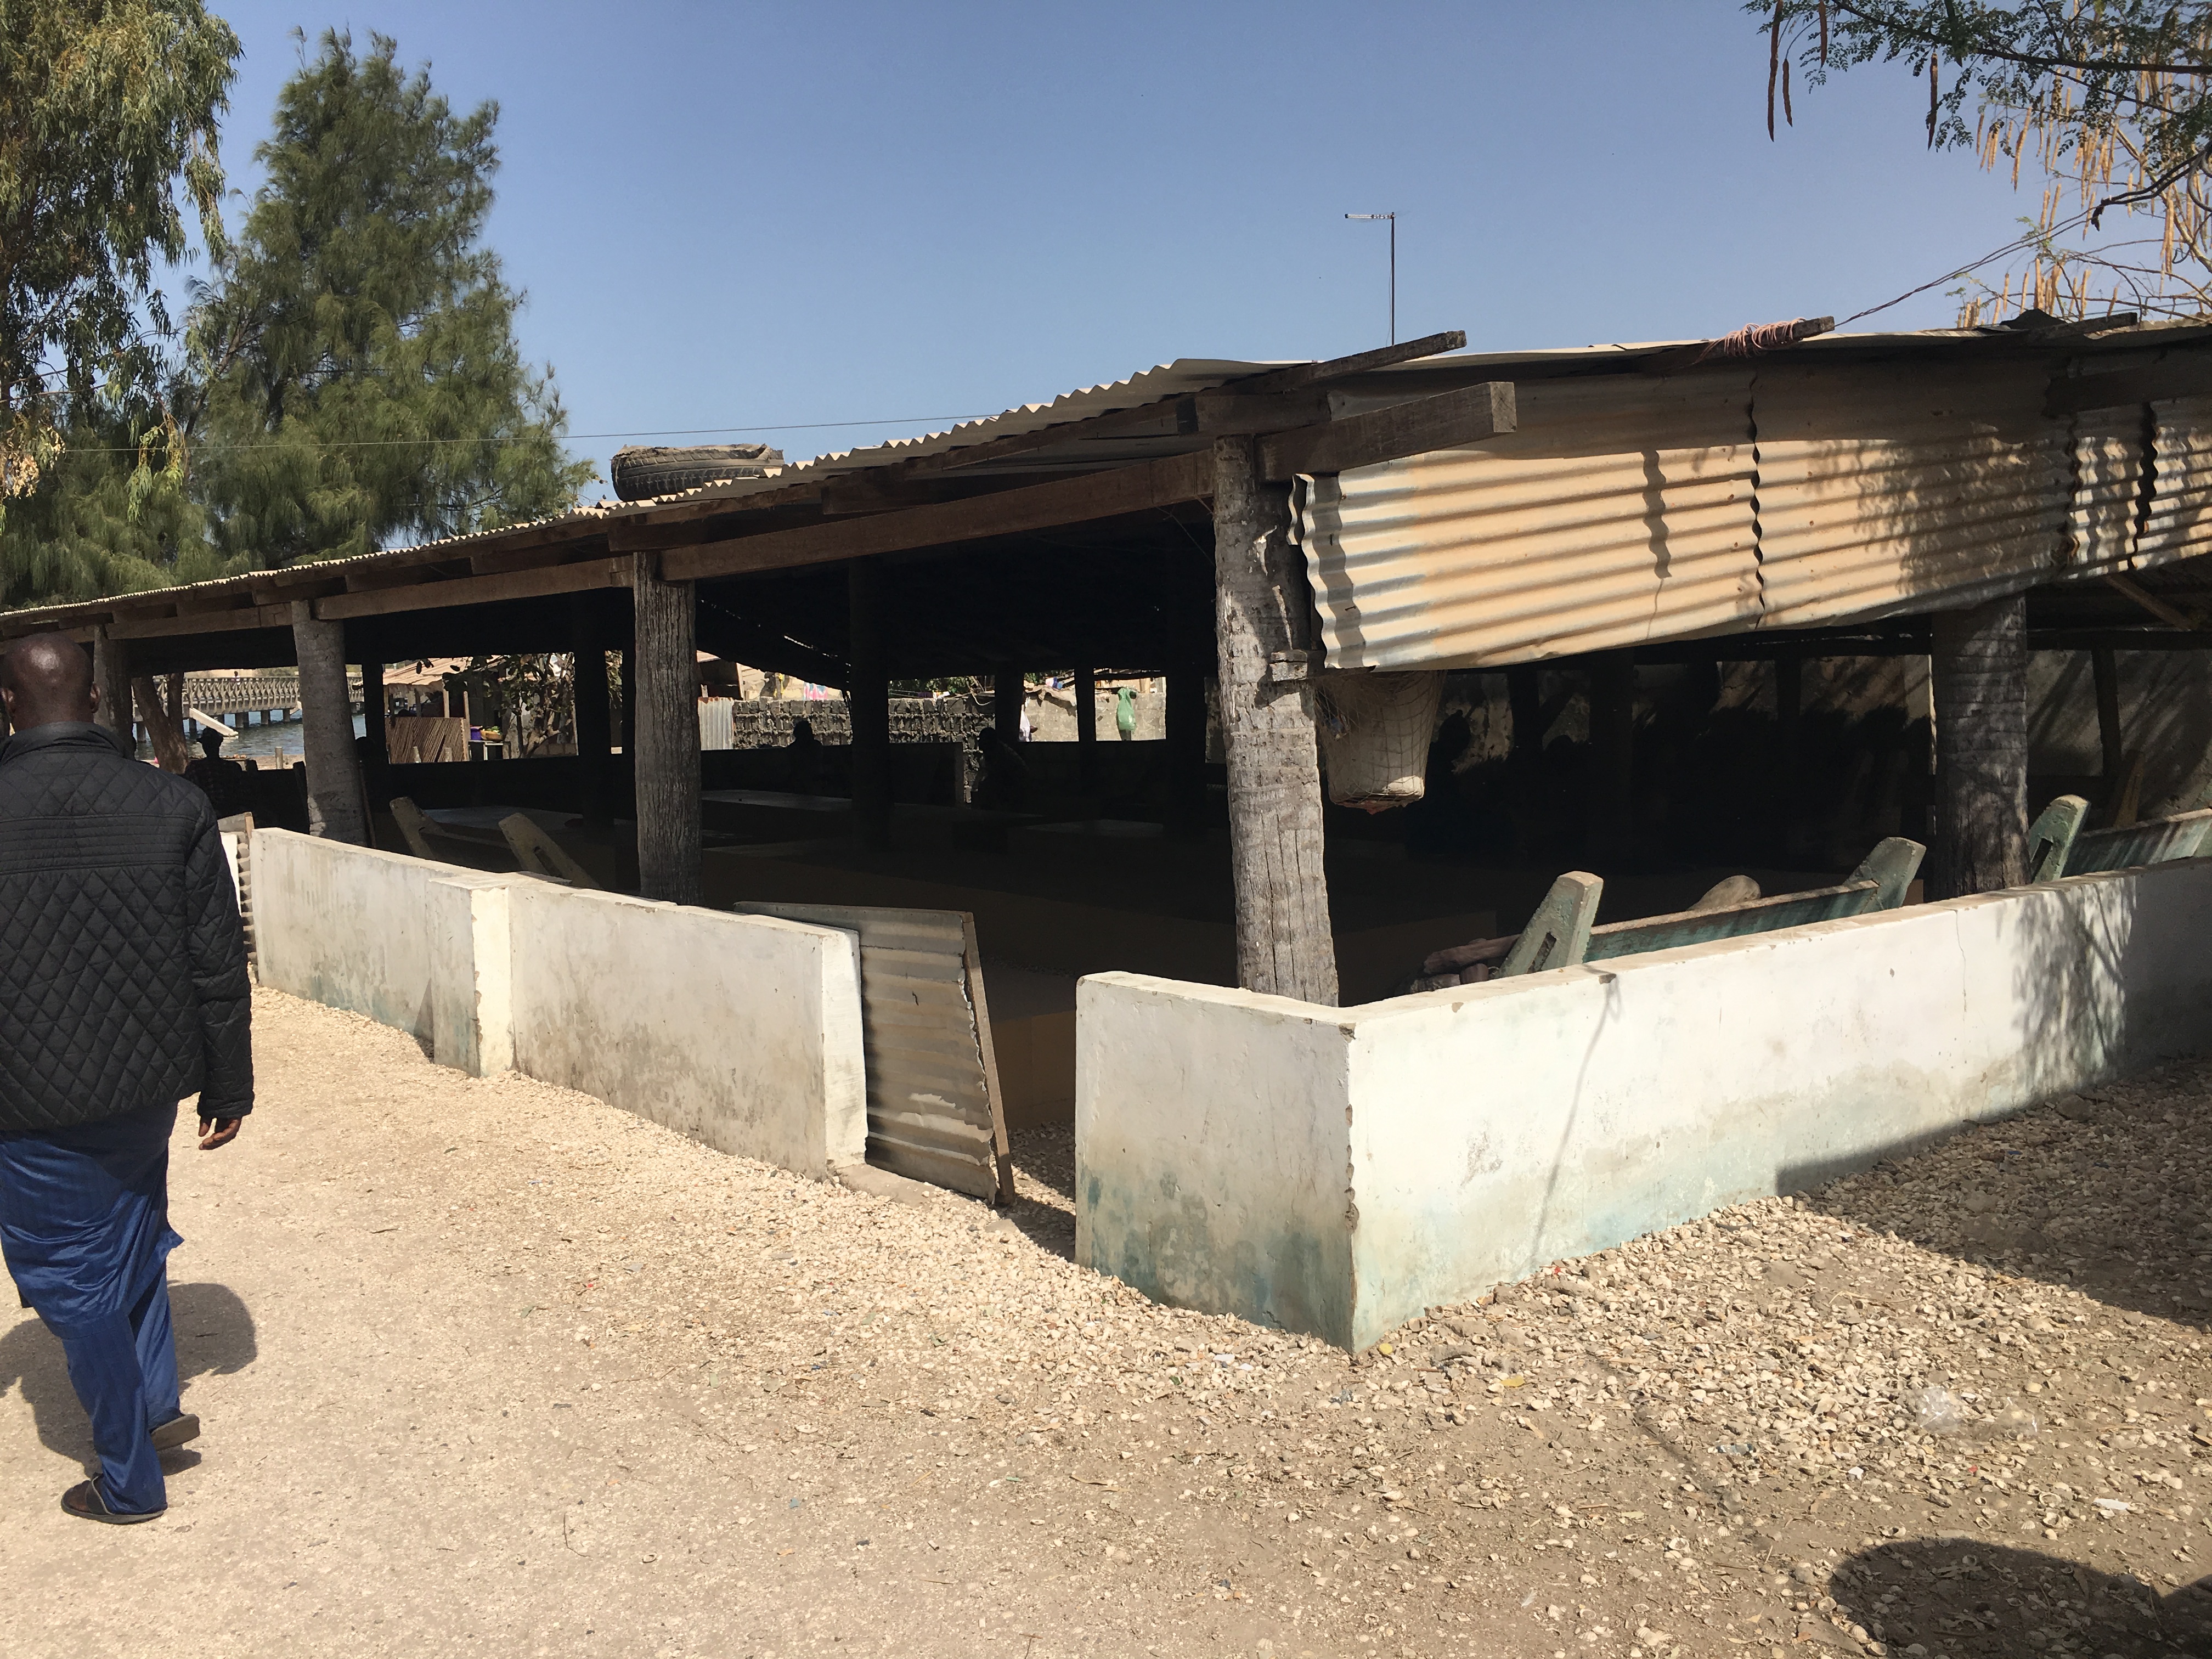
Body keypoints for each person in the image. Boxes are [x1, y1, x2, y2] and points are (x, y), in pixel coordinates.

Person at [0, 636, 252, 1525]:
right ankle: (154, 1402)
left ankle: (128, 1475)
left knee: (70, 1278)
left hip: (25, 1105)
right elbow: (218, 965)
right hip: (147, 1092)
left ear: (5, 702)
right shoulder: (174, 804)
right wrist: (229, 1089)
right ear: (98, 698)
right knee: (132, 1237)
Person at [182, 727, 255, 822]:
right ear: (219, 744)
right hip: (231, 811)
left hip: (208, 813)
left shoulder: (195, 768)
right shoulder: (232, 767)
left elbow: (192, 796)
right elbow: (243, 794)